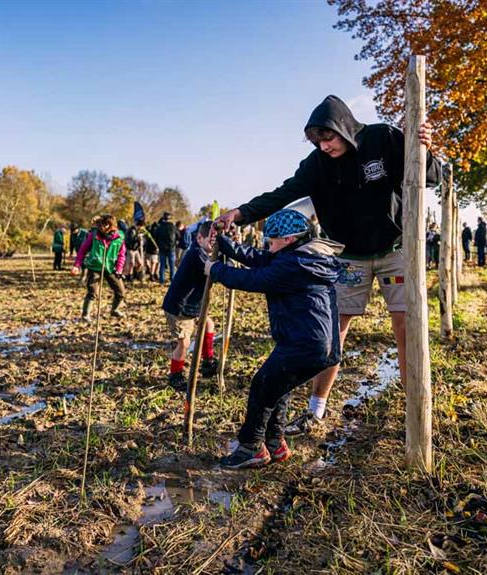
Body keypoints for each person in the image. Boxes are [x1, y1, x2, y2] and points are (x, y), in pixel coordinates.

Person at [215, 95, 438, 434]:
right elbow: (283, 193)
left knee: (405, 327)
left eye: (328, 138)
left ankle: (415, 411)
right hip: (347, 257)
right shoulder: (316, 165)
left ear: (344, 127)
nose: (324, 146)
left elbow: (430, 177)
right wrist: (241, 213)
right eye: (317, 141)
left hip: (395, 250)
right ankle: (316, 410)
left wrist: (424, 149)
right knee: (331, 332)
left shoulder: (382, 139)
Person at [209, 209, 344, 468]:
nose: (268, 246)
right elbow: (261, 259)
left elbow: (255, 278)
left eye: (271, 241)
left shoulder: (295, 265)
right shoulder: (305, 257)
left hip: (304, 345)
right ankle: (275, 444)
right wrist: (227, 245)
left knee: (262, 387)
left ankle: (251, 448)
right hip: (317, 346)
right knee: (277, 388)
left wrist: (215, 270)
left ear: (289, 239)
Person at [161, 221, 218, 391]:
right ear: (199, 238)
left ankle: (207, 361)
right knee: (184, 343)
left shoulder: (206, 253)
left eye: (216, 242)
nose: (213, 245)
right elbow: (213, 271)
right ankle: (175, 375)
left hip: (193, 305)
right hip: (179, 307)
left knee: (208, 324)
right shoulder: (196, 254)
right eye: (210, 241)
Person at [72, 214, 127, 320]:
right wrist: (77, 265)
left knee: (121, 292)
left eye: (105, 225)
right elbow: (83, 250)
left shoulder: (119, 237)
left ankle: (115, 310)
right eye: (101, 224)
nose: (102, 227)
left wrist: (119, 269)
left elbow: (121, 255)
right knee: (92, 292)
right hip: (95, 266)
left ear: (112, 225)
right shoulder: (93, 235)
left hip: (111, 268)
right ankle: (85, 315)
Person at [155, 212, 178, 284]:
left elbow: (156, 237)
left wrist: (159, 244)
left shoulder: (159, 227)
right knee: (172, 265)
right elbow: (178, 236)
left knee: (162, 265)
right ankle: (172, 280)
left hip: (162, 248)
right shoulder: (173, 227)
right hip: (171, 248)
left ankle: (162, 280)